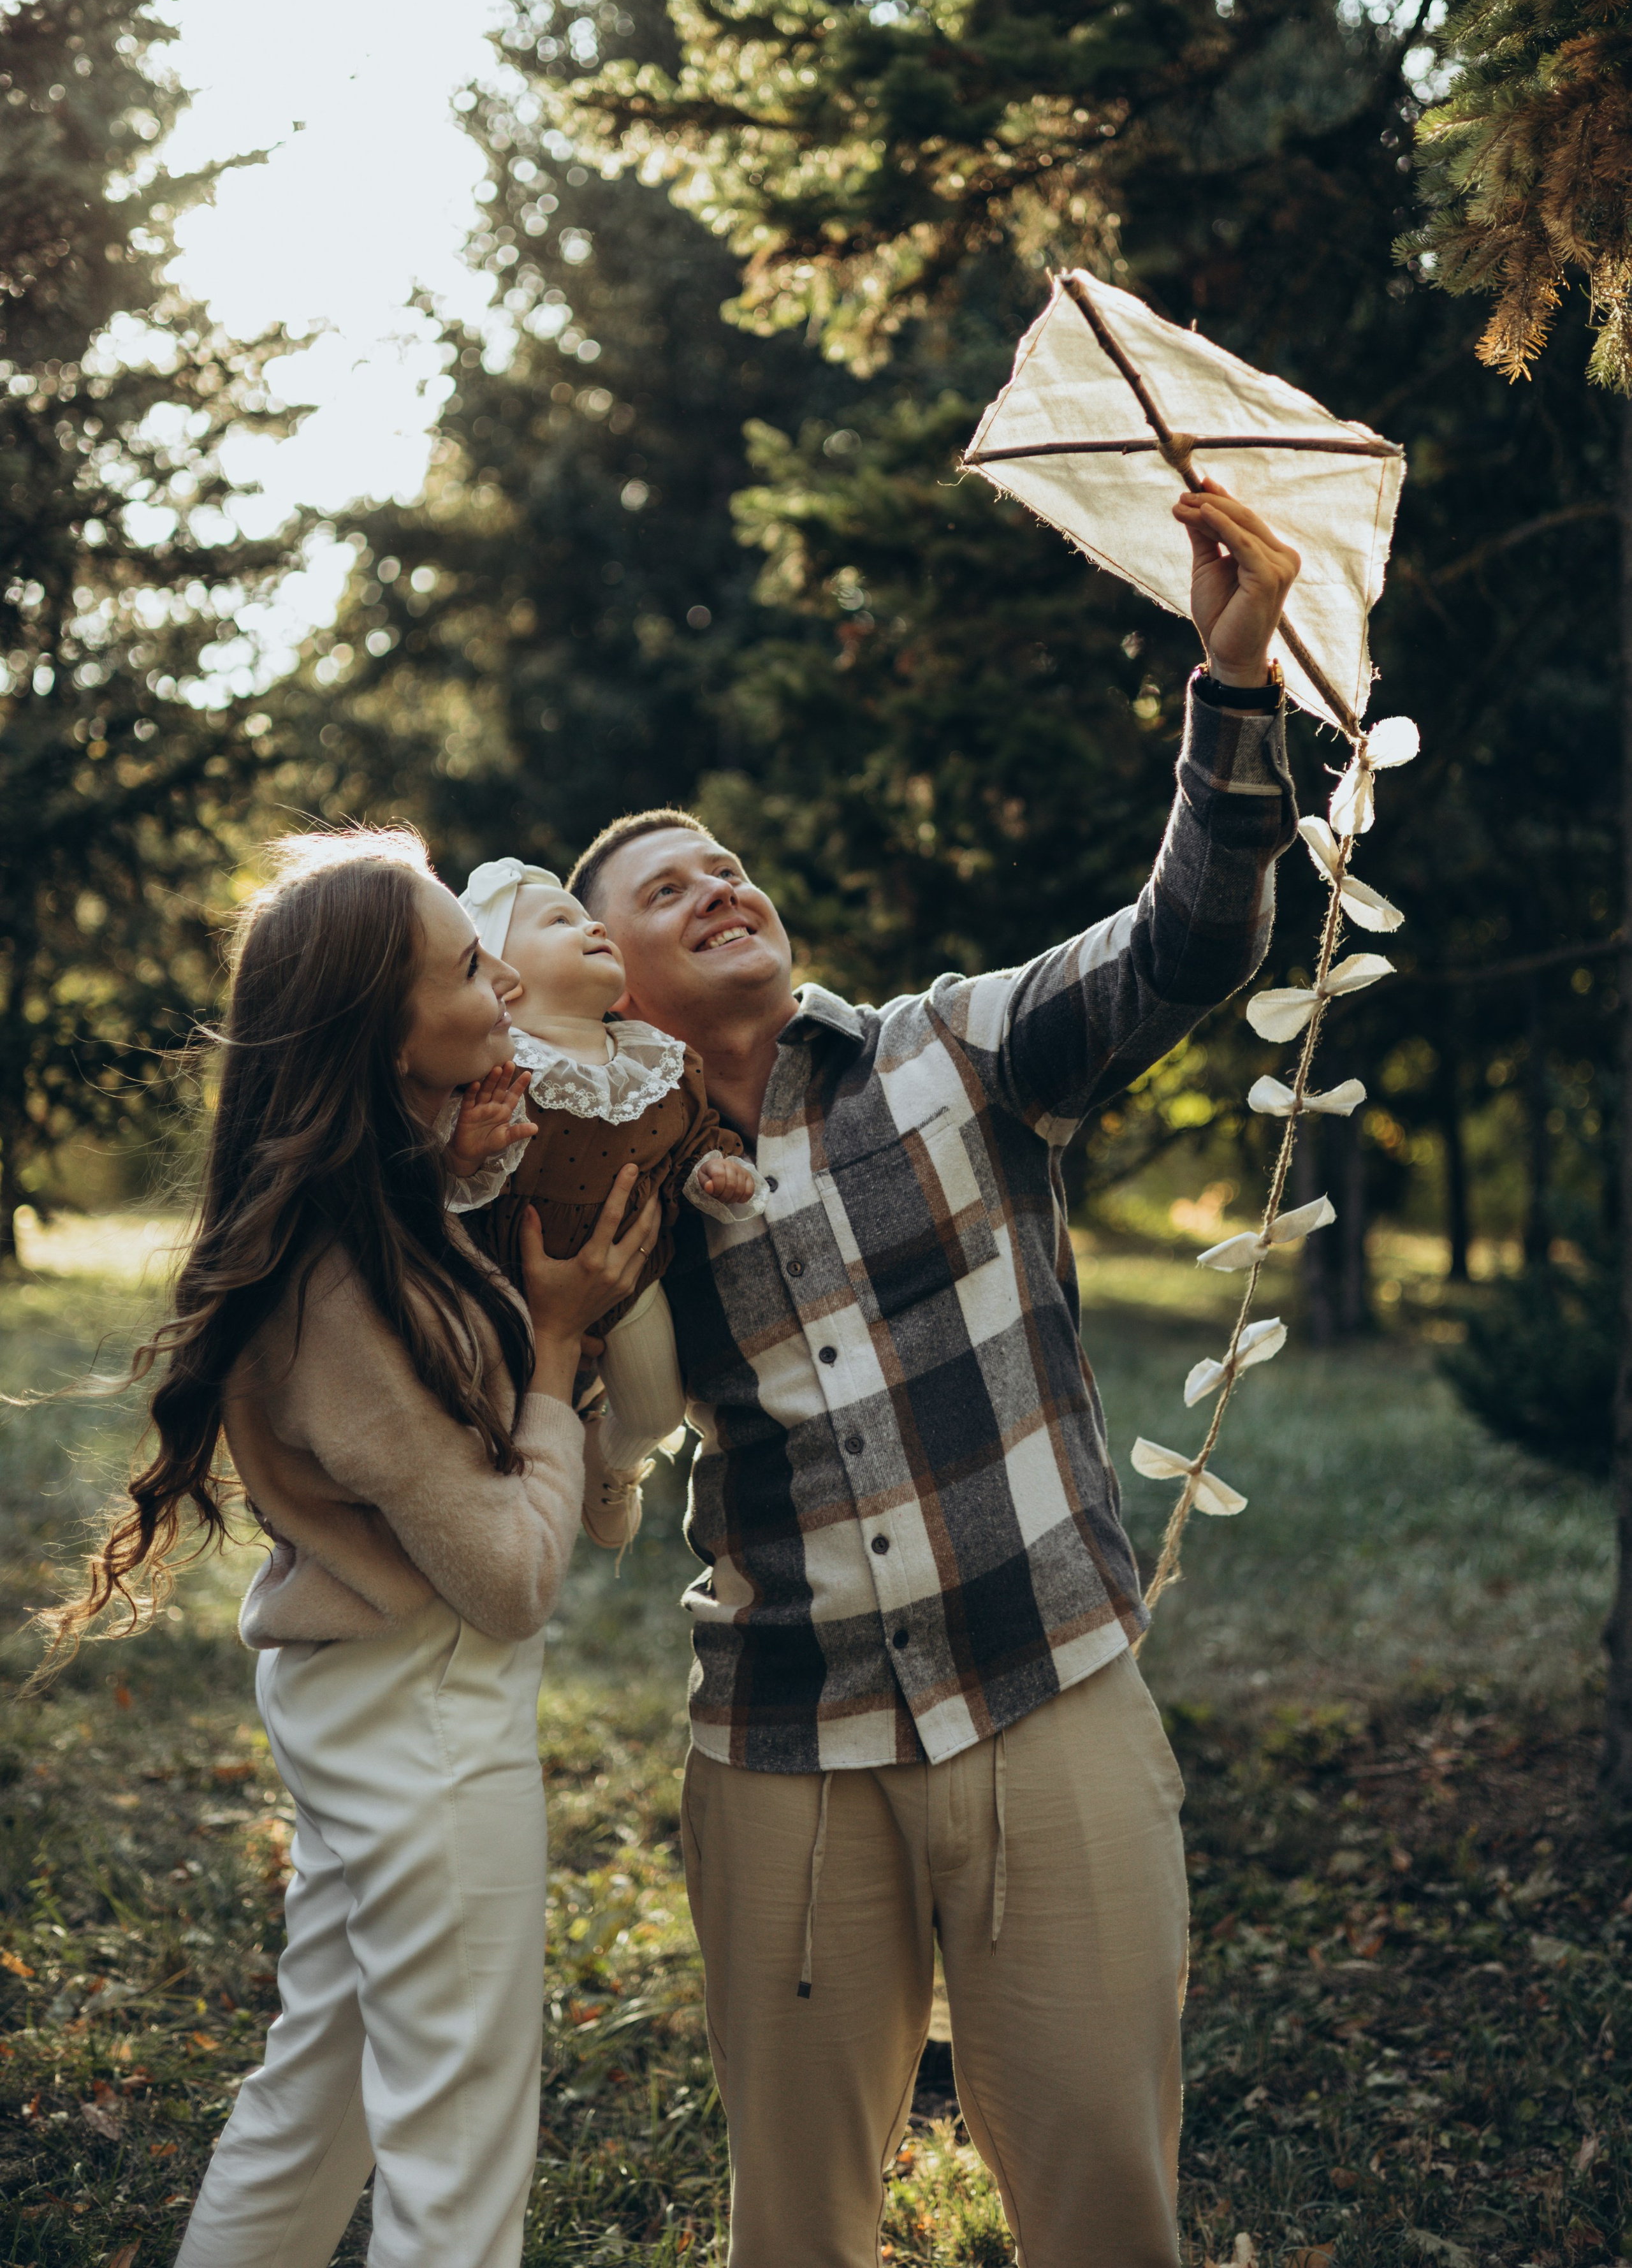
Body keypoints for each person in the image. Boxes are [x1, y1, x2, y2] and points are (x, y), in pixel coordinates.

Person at [564, 485, 1304, 2268]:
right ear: (618, 986)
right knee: (798, 2229)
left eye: (728, 866)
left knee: (1107, 2203)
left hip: (1045, 1691)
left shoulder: (954, 1050)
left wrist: (1231, 684)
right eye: (671, 893)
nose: (723, 886)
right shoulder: (597, 1186)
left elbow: (1183, 947)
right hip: (782, 1747)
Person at [38, 827, 661, 2268]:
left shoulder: (357, 1216)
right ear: (381, 1034)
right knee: (458, 2159)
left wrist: (469, 1164)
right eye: (463, 963)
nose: (503, 972)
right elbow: (506, 1580)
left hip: (362, 1709)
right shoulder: (345, 1295)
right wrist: (558, 1356)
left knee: (314, 2099)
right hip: (429, 1719)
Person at [452, 856, 765, 1547]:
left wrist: (719, 1169)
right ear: (503, 971)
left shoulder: (658, 1062)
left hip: (631, 1277)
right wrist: (467, 1148)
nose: (591, 923)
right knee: (484, 1425)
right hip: (498, 1292)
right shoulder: (494, 1064)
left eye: (587, 915)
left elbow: (689, 1141)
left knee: (657, 1409)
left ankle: (610, 1461)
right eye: (560, 920)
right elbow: (440, 1178)